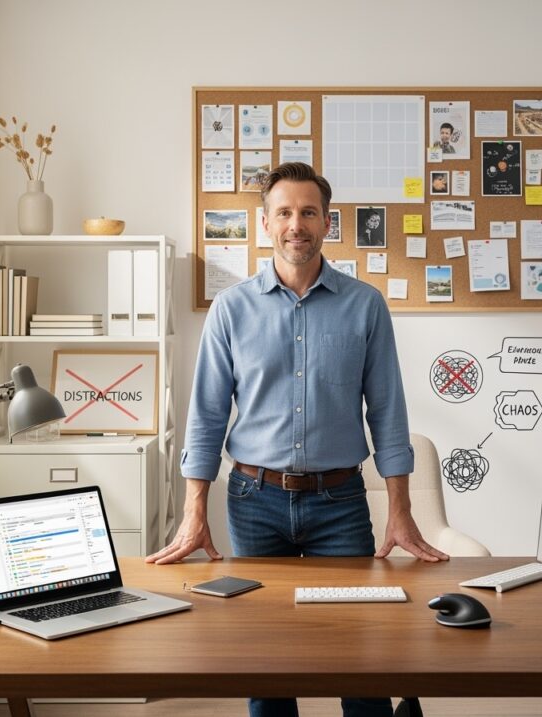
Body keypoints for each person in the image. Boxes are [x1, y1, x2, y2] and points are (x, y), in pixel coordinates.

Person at [146, 162, 447, 717]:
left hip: (341, 505)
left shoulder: (365, 306)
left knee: (360, 657)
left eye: (309, 212)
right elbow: (207, 417)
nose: (296, 224)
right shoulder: (232, 310)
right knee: (265, 661)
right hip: (253, 503)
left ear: (328, 223)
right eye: (284, 212)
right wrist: (193, 512)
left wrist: (401, 511)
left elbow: (388, 413)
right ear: (266, 224)